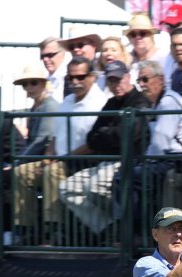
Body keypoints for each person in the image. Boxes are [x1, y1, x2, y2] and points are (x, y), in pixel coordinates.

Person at [10, 56, 106, 245]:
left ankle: (56, 231)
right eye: (71, 78)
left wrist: (62, 159)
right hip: (61, 159)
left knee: (52, 172)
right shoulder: (67, 101)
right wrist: (48, 157)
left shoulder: (100, 102)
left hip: (85, 162)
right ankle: (25, 229)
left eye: (81, 77)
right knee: (21, 172)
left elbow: (94, 143)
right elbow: (55, 135)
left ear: (93, 77)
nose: (75, 82)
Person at [59, 61, 151, 236]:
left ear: (128, 77)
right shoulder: (111, 103)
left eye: (118, 79)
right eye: (111, 81)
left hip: (129, 162)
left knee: (92, 187)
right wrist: (111, 134)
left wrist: (106, 134)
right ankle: (110, 229)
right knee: (67, 188)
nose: (115, 85)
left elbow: (127, 136)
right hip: (106, 162)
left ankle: (126, 226)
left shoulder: (140, 101)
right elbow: (91, 138)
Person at [132, 60, 182, 219]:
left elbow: (161, 142)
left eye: (145, 79)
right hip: (164, 158)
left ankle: (135, 231)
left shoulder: (168, 102)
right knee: (129, 174)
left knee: (131, 177)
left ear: (160, 80)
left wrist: (144, 160)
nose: (141, 84)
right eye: (139, 81)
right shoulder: (157, 103)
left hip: (177, 159)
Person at [10, 65, 60, 244]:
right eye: (25, 84)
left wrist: (17, 161)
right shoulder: (36, 106)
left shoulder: (50, 106)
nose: (29, 87)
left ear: (43, 84)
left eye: (33, 83)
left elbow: (41, 139)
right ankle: (24, 228)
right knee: (16, 174)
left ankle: (47, 229)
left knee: (19, 172)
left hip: (51, 158)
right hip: (38, 157)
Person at [125, 12, 168, 83]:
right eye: (133, 34)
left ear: (151, 35)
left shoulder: (164, 58)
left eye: (142, 33)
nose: (138, 37)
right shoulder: (126, 60)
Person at [38, 36, 69, 102]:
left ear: (62, 53)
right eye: (42, 56)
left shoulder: (69, 77)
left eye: (50, 55)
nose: (45, 59)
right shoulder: (47, 79)